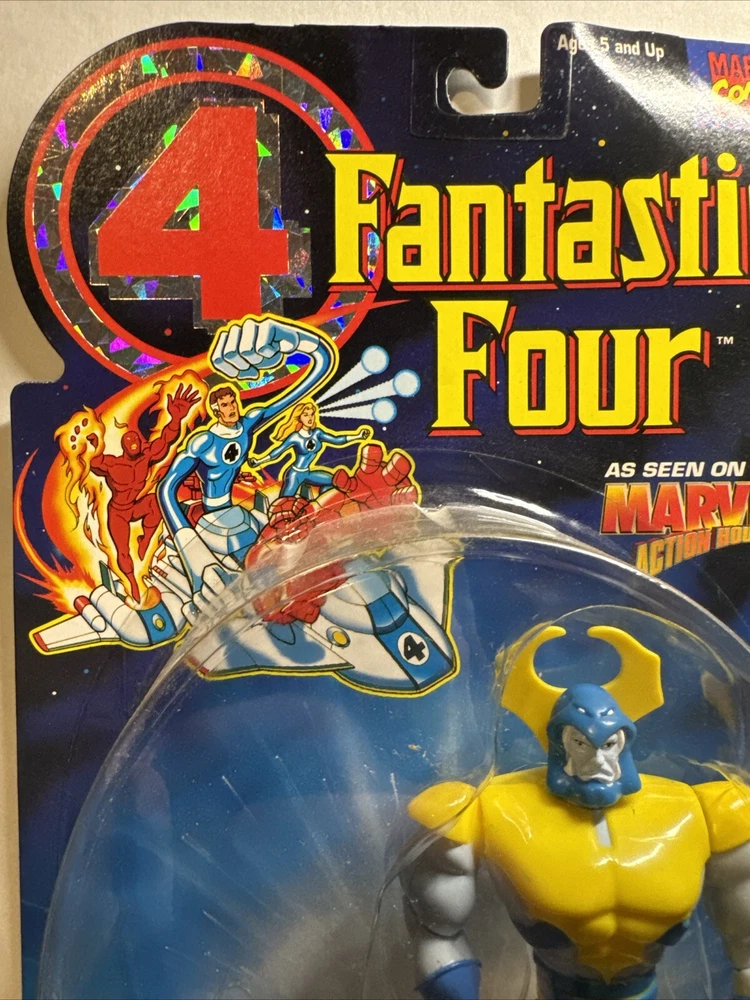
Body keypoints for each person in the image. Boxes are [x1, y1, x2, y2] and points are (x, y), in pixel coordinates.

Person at [86, 384, 199, 602]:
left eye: (136, 440)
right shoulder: (113, 465)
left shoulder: (146, 458)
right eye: (129, 441)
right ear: (123, 446)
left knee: (155, 502)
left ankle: (145, 540)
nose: (134, 443)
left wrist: (176, 418)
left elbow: (166, 440)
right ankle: (132, 583)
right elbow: (94, 463)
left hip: (136, 506)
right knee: (123, 553)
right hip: (118, 512)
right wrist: (95, 445)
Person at [250, 399, 369, 497]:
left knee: (335, 481)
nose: (310, 418)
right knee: (284, 502)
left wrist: (358, 436)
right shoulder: (295, 437)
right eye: (305, 415)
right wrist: (259, 461)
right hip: (295, 475)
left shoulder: (317, 433)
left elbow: (336, 440)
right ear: (299, 418)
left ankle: (322, 506)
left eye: (312, 414)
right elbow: (277, 452)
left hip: (307, 473)